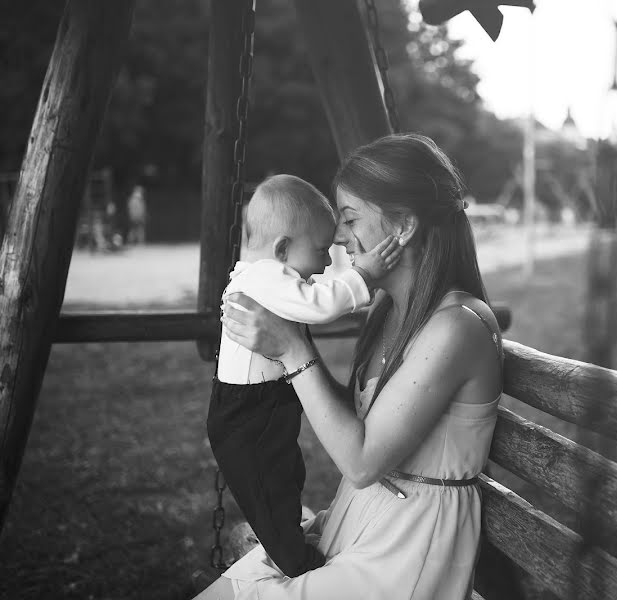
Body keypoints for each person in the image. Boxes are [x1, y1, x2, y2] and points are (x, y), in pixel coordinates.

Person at [198, 134, 503, 600]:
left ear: (403, 225)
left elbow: (361, 463)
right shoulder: (387, 309)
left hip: (408, 544)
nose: (338, 236)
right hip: (365, 516)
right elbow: (363, 419)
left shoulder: (455, 327)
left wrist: (293, 349)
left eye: (351, 217)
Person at [207, 175, 401, 578]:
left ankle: (290, 540)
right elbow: (317, 305)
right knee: (268, 489)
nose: (330, 262)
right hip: (248, 415)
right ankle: (295, 561)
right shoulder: (263, 278)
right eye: (321, 251)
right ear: (281, 250)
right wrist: (363, 275)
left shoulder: (262, 276)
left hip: (262, 406)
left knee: (285, 475)